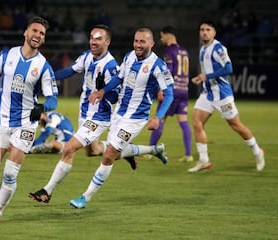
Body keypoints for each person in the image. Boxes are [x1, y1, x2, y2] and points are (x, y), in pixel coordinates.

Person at [28, 25, 168, 205]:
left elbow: (115, 96)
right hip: (85, 113)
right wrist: (48, 78)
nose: (93, 41)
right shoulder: (88, 56)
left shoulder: (110, 66)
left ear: (107, 42)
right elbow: (71, 70)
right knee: (93, 151)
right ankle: (141, 151)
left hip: (99, 117)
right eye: (92, 37)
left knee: (69, 148)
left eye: (98, 38)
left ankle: (47, 191)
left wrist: (104, 90)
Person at [69, 27, 174, 208]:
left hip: (136, 118)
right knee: (114, 153)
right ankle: (155, 150)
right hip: (119, 113)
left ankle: (85, 197)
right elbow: (118, 78)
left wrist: (158, 116)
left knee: (109, 155)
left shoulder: (158, 66)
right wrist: (102, 91)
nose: (138, 45)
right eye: (136, 41)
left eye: (142, 41)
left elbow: (169, 94)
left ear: (151, 43)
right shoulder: (129, 56)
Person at [0, 16, 58, 225]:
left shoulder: (43, 66)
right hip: (0, 121)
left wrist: (42, 107)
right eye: (35, 31)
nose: (38, 35)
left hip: (25, 124)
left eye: (42, 34)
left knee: (10, 174)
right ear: (25, 32)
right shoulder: (7, 55)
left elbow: (53, 99)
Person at [188, 20, 265, 173]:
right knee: (197, 123)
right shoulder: (203, 49)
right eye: (202, 29)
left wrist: (207, 76)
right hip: (208, 94)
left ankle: (257, 151)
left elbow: (228, 68)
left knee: (236, 125)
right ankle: (204, 160)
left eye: (208, 29)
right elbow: (208, 73)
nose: (204, 32)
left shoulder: (218, 48)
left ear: (214, 32)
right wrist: (201, 78)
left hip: (222, 95)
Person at [149, 26, 193, 162]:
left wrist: (162, 88)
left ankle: (150, 150)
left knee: (160, 119)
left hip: (172, 90)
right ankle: (188, 155)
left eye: (162, 36)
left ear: (168, 35)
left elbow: (168, 70)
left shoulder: (169, 50)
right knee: (183, 121)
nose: (161, 39)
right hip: (184, 89)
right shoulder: (184, 51)